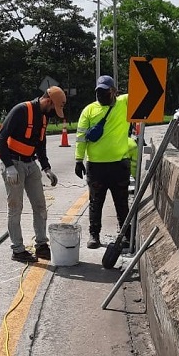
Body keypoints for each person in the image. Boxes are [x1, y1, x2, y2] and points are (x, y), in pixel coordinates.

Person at [0, 86, 66, 263]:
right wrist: (9, 166)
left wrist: (46, 168)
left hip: (30, 164)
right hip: (13, 163)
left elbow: (40, 145)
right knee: (15, 208)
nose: (52, 113)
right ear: (48, 101)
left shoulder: (43, 117)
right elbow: (1, 138)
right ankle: (18, 250)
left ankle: (41, 245)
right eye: (53, 108)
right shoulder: (21, 110)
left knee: (40, 205)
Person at [75, 75, 131, 249]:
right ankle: (94, 235)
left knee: (121, 202)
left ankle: (126, 235)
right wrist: (78, 159)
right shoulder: (89, 110)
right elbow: (81, 137)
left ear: (113, 91)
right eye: (99, 92)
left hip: (119, 165)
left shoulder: (123, 103)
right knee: (95, 202)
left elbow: (141, 90)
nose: (101, 95)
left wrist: (149, 65)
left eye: (105, 92)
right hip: (96, 167)